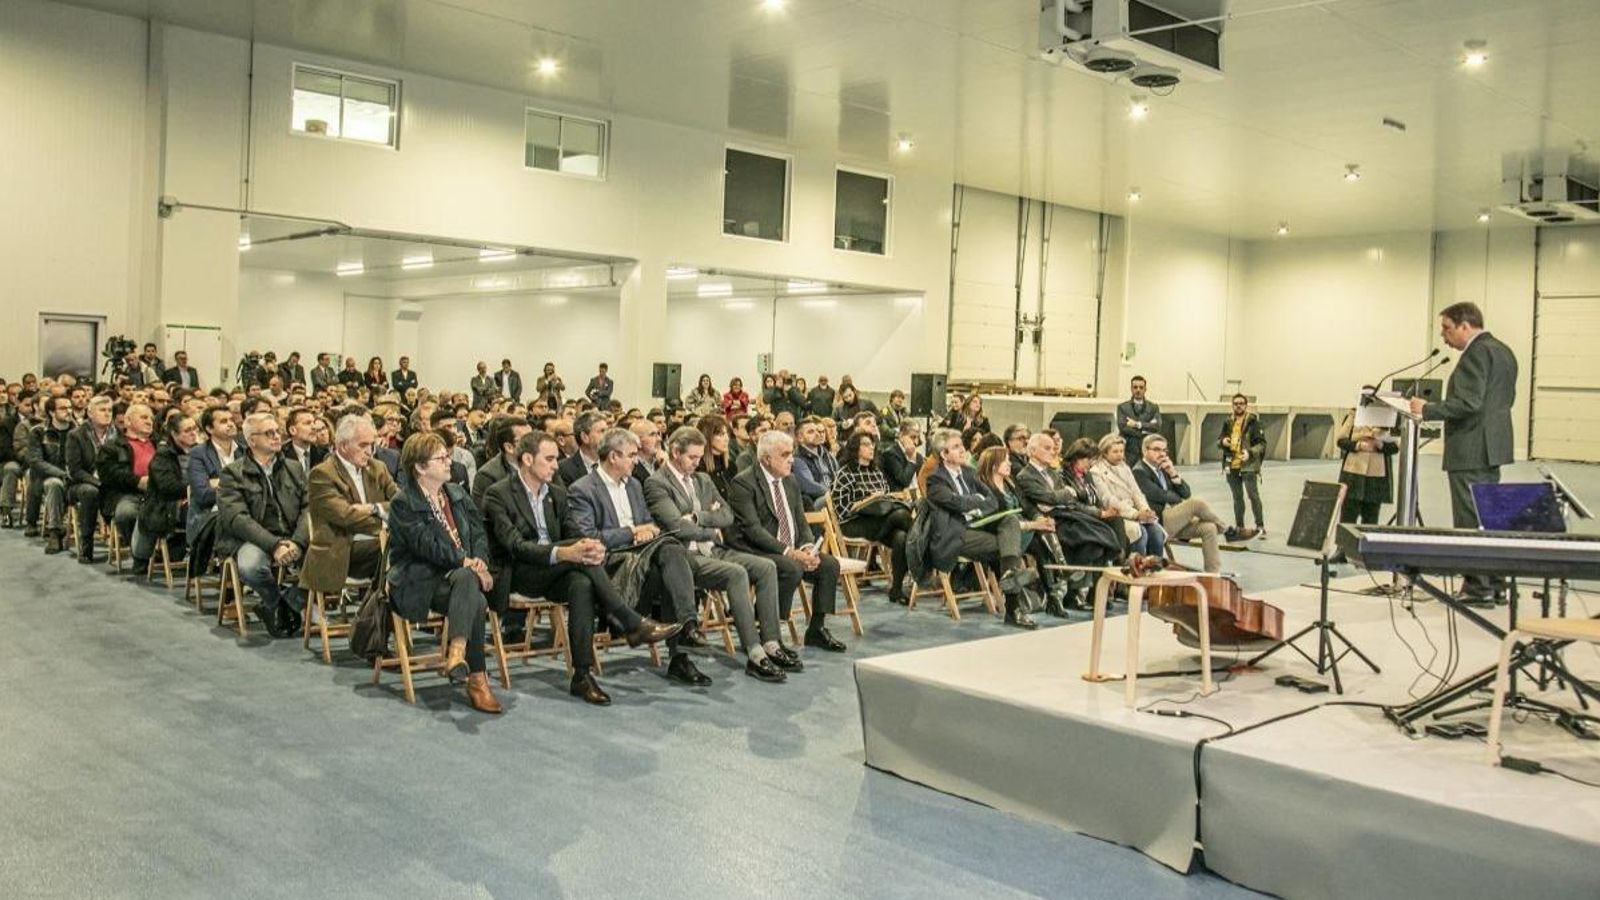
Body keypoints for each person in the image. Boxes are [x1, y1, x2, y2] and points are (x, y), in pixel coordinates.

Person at [483, 431, 679, 705]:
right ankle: (628, 621)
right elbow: (514, 546)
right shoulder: (499, 494)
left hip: (559, 570)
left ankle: (582, 675)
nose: (556, 465)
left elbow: (575, 532)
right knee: (580, 564)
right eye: (549, 459)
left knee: (582, 582)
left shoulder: (556, 494)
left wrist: (590, 546)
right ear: (527, 459)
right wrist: (565, 552)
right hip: (519, 572)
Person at [566, 427, 718, 685]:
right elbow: (587, 537)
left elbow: (650, 523)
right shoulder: (583, 489)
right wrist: (631, 533)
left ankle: (682, 646)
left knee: (670, 557)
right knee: (672, 552)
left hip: (643, 554)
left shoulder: (634, 485)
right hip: (609, 560)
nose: (636, 460)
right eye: (631, 455)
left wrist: (647, 531)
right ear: (613, 456)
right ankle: (685, 633)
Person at [644, 427, 796, 682]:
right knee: (736, 574)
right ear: (675, 452)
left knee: (766, 566)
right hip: (684, 557)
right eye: (691, 457)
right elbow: (676, 526)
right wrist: (710, 531)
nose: (696, 462)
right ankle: (755, 653)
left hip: (715, 551)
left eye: (699, 457)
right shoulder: (657, 483)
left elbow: (727, 516)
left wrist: (698, 517)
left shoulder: (703, 479)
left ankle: (771, 643)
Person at [385, 432, 502, 714]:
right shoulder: (404, 502)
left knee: (467, 584)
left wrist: (480, 562)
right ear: (420, 467)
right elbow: (428, 547)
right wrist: (469, 564)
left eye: (447, 456)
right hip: (419, 581)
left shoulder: (457, 493)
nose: (450, 462)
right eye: (441, 458)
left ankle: (459, 656)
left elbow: (478, 535)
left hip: (459, 579)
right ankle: (476, 678)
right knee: (476, 597)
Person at [1409, 300, 1518, 604]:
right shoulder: (1503, 351)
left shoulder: (1475, 354)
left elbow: (1470, 403)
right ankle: (1496, 584)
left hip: (1470, 448)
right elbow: (1504, 398)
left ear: (1465, 326)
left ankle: (1477, 588)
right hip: (1492, 447)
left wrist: (1427, 409)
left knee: (1470, 519)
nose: (1443, 337)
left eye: (1446, 328)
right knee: (1489, 519)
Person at [725, 429, 848, 653]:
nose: (792, 458)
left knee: (829, 564)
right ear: (766, 459)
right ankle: (770, 633)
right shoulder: (743, 483)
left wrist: (808, 547)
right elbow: (753, 531)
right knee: (791, 568)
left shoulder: (790, 481)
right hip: (756, 550)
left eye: (791, 453)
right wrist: (790, 552)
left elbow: (800, 523)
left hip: (789, 549)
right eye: (785, 454)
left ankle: (817, 629)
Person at [915, 429, 1039, 620]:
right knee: (1008, 547)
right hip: (955, 532)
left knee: (1010, 521)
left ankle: (1010, 582)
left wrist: (972, 503)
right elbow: (956, 503)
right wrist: (975, 500)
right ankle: (1014, 605)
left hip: (979, 525)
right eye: (956, 447)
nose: (963, 450)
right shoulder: (935, 479)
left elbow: (991, 501)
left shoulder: (969, 473)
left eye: (961, 446)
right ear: (944, 455)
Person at [216, 412, 309, 638]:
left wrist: (297, 541)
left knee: (333, 556)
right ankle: (276, 602)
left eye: (278, 432)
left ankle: (290, 603)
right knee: (250, 565)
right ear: (252, 440)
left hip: (292, 537)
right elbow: (238, 519)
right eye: (269, 433)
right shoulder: (232, 473)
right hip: (254, 540)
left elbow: (309, 508)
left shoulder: (294, 468)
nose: (277, 437)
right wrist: (274, 545)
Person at [300, 413, 398, 607]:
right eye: (363, 446)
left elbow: (402, 503)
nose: (370, 451)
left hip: (375, 544)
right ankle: (380, 609)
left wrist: (374, 508)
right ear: (343, 446)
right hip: (340, 549)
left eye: (372, 444)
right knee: (396, 546)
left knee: (404, 546)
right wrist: (387, 523)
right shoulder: (322, 474)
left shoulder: (378, 468)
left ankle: (384, 607)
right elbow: (345, 516)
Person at [1015, 434, 1124, 606]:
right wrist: (1066, 493)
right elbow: (1049, 498)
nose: (1053, 452)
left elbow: (1063, 501)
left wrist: (1064, 499)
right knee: (1094, 539)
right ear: (1033, 450)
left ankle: (1084, 592)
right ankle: (1074, 589)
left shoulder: (1052, 473)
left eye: (1053, 448)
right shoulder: (1024, 475)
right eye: (1047, 448)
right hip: (1052, 521)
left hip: (1068, 514)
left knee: (1100, 540)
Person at [975, 446, 1058, 628]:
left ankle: (1052, 594)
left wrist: (1039, 518)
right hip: (995, 532)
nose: (1010, 463)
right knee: (1027, 537)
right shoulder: (983, 487)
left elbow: (1027, 507)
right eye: (1006, 460)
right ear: (994, 464)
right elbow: (998, 521)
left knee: (1044, 532)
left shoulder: (1010, 483)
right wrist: (1033, 525)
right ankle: (1057, 579)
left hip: (1017, 532)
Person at [830, 431, 912, 604]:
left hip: (880, 520)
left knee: (901, 537)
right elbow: (842, 510)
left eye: (872, 444)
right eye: (866, 444)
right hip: (853, 522)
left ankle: (896, 589)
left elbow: (884, 499)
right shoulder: (845, 473)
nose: (872, 447)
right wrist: (869, 500)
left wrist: (893, 497)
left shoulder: (876, 472)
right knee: (900, 516)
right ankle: (921, 541)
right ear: (855, 449)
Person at [1132, 435, 1230, 573]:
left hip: (1175, 520)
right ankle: (1228, 531)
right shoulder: (1139, 471)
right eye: (1156, 449)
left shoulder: (1164, 468)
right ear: (1145, 451)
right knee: (1196, 503)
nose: (1161, 454)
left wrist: (1173, 473)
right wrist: (1176, 498)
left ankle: (1212, 574)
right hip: (1159, 522)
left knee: (1209, 527)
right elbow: (1160, 495)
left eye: (1164, 450)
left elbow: (1186, 492)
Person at [131, 412, 196, 573]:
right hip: (165, 506)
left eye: (194, 428)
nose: (193, 433)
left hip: (193, 500)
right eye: (187, 430)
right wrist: (196, 489)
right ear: (174, 434)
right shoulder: (163, 455)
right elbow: (168, 487)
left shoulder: (201, 451)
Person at [97, 402, 156, 560]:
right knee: (126, 513)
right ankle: (139, 553)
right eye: (143, 417)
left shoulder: (160, 444)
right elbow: (110, 475)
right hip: (126, 493)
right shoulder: (112, 447)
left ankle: (167, 552)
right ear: (128, 421)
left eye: (151, 418)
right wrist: (138, 481)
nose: (149, 421)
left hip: (157, 494)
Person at [1090, 433, 1166, 558]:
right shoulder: (1096, 472)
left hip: (1135, 513)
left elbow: (1137, 493)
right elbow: (1108, 500)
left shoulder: (1125, 467)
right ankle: (1136, 569)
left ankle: (1155, 568)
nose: (1120, 454)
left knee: (1156, 532)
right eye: (1115, 451)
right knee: (1139, 532)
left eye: (1121, 451)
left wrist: (1145, 510)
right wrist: (1135, 514)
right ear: (1105, 453)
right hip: (1117, 516)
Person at [65, 396, 116, 562]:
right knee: (91, 492)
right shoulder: (76, 435)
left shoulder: (117, 433)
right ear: (90, 413)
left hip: (110, 481)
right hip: (81, 484)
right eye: (102, 410)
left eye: (109, 410)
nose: (107, 414)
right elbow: (75, 470)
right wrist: (98, 482)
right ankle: (87, 545)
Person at [24, 395, 76, 553]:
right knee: (55, 484)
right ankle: (54, 533)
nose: (68, 411)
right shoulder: (38, 432)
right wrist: (61, 474)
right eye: (63, 408)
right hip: (46, 476)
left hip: (74, 476)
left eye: (69, 407)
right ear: (52, 412)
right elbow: (36, 461)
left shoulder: (78, 431)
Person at [1335, 407, 1398, 526]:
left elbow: (1395, 447)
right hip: (1353, 474)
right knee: (1347, 519)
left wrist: (1380, 445)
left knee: (1371, 521)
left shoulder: (1386, 417)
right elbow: (1341, 441)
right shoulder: (1354, 414)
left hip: (1376, 477)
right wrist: (1358, 446)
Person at [186, 406, 240, 538]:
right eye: (223, 421)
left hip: (242, 512)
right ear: (209, 429)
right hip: (209, 515)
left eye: (231, 419)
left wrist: (220, 483)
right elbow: (203, 495)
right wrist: (240, 487)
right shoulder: (198, 454)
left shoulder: (244, 450)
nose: (230, 424)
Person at [1218, 393, 1267, 537]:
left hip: (1248, 465)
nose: (1238, 405)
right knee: (1237, 498)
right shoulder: (1228, 422)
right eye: (1236, 403)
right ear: (1232, 406)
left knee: (1253, 496)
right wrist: (1223, 441)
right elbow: (1219, 440)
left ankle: (1260, 525)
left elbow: (1262, 444)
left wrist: (1250, 453)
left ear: (1246, 406)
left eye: (1241, 403)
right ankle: (1240, 526)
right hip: (1231, 464)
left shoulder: (1254, 422)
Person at [470, 415, 532, 510]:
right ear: (509, 447)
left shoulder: (542, 465)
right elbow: (486, 518)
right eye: (526, 440)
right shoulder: (488, 476)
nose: (535, 444)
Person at [792, 417, 840, 507]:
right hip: (816, 502)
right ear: (800, 437)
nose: (817, 434)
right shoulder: (797, 459)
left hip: (835, 495)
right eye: (811, 432)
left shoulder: (828, 455)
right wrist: (835, 494)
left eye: (816, 431)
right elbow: (809, 487)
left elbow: (839, 477)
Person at [556, 410, 607, 488]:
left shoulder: (613, 465)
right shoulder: (564, 469)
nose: (608, 435)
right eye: (602, 431)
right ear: (585, 437)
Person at [696, 414, 737, 500]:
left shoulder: (730, 466)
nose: (727, 439)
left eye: (726, 434)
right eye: (721, 434)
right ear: (707, 436)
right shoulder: (698, 469)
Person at [1117, 376, 1162, 451]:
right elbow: (1123, 427)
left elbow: (1156, 426)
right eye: (1135, 387)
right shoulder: (1123, 407)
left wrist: (1137, 424)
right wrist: (1145, 431)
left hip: (1147, 449)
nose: (1138, 390)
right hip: (1128, 449)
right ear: (1131, 389)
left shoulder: (1153, 407)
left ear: (1145, 389)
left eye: (1141, 387)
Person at [880, 420, 924, 492]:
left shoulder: (918, 457)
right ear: (901, 436)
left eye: (918, 438)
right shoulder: (890, 454)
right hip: (900, 499)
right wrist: (912, 460)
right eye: (912, 437)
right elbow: (904, 481)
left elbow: (923, 481)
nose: (916, 442)